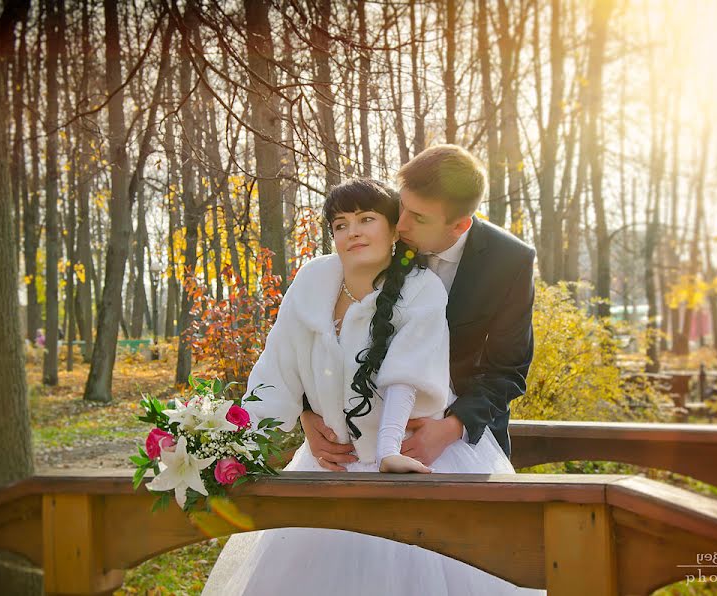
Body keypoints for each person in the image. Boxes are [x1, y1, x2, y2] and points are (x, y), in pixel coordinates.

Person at [202, 176, 542, 595]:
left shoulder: (421, 288)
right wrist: (234, 446)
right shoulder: (311, 283)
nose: (353, 231)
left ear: (393, 226)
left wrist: (387, 452)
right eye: (340, 224)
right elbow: (276, 370)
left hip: (414, 454)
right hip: (331, 463)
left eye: (366, 219)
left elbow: (406, 378)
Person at [302, 144, 536, 470]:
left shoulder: (509, 262)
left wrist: (451, 429)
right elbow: (320, 328)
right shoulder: (380, 233)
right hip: (356, 437)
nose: (401, 224)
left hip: (457, 440)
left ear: (459, 226)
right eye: (402, 205)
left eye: (419, 218)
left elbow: (507, 370)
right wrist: (308, 412)